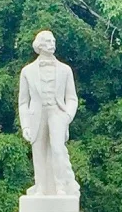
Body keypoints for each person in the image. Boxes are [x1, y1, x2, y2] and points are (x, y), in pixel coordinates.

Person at [18, 30, 80, 196]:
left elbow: (72, 98)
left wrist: (68, 116)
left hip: (57, 113)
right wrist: (25, 126)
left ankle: (60, 187)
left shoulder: (65, 70)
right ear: (39, 45)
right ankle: (41, 187)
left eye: (53, 41)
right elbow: (23, 102)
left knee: (58, 149)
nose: (52, 44)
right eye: (48, 41)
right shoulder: (27, 71)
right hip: (37, 115)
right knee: (38, 152)